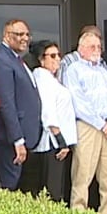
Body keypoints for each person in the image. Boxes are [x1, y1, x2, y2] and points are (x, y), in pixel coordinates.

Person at [63, 30, 107, 214]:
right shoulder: (74, 70)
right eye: (92, 47)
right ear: (81, 49)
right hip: (89, 127)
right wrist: (101, 124)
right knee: (83, 175)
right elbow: (78, 102)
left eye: (98, 47)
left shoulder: (102, 71)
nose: (96, 50)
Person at [0, 19, 43, 191]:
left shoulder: (15, 58)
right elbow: (6, 102)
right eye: (19, 34)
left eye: (27, 35)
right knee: (7, 186)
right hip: (9, 140)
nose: (24, 38)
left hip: (22, 137)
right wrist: (17, 139)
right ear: (6, 35)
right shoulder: (1, 59)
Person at [29, 39, 75, 203]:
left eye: (58, 55)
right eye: (53, 56)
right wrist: (60, 141)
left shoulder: (51, 78)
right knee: (52, 191)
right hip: (52, 142)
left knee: (56, 189)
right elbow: (48, 112)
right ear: (41, 59)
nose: (58, 59)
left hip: (57, 141)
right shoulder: (43, 78)